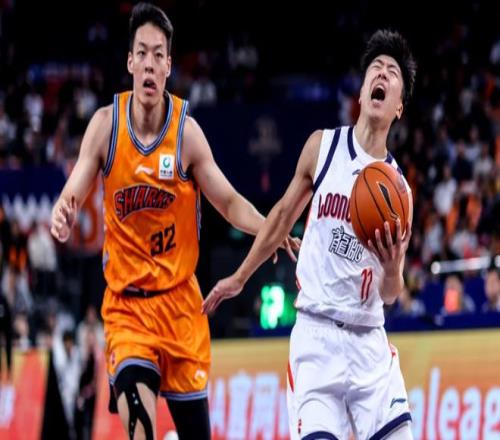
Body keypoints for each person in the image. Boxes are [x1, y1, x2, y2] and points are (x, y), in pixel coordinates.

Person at [50, 4, 298, 440]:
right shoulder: (106, 126)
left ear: (168, 65)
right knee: (140, 426)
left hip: (181, 307)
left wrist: (269, 229)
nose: (149, 64)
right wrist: (63, 210)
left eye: (158, 55)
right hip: (127, 309)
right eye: (142, 53)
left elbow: (228, 201)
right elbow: (74, 188)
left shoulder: (186, 133)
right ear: (130, 62)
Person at [203, 29, 417, 439]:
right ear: (361, 92)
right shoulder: (323, 147)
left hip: (369, 344)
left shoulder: (400, 193)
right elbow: (282, 216)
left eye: (392, 72)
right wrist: (241, 277)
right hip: (316, 339)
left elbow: (391, 294)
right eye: (376, 68)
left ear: (399, 107)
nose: (382, 74)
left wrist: (392, 269)